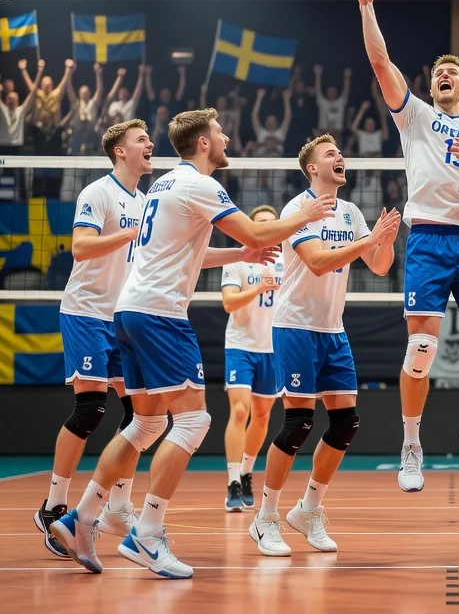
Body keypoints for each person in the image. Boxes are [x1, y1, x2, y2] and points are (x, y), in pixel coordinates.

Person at [52, 108, 332, 579]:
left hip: (129, 310)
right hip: (160, 313)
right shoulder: (202, 185)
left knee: (145, 426)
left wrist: (241, 254)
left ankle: (80, 519)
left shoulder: (162, 187)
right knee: (195, 420)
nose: (225, 137)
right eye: (220, 132)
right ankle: (147, 533)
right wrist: (303, 215)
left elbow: (189, 251)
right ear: (203, 143)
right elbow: (260, 231)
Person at [351, 0, 459, 492]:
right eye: (438, 72)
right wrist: (366, 4)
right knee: (420, 347)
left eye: (453, 73)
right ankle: (411, 444)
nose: (444, 75)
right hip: (426, 238)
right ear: (431, 86)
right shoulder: (416, 117)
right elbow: (381, 62)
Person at [249, 135, 400, 557]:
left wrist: (383, 239)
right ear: (312, 168)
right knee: (297, 423)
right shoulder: (297, 209)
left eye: (340, 153)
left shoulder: (351, 212)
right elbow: (317, 262)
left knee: (346, 422)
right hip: (295, 326)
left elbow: (381, 266)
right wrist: (370, 241)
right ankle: (265, 519)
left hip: (332, 330)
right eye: (330, 154)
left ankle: (309, 508)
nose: (340, 157)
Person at [34, 119, 156, 559]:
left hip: (124, 317)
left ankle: (119, 504)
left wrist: (242, 252)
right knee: (90, 408)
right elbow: (81, 247)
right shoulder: (97, 193)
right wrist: (131, 233)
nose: (150, 144)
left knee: (140, 414)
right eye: (141, 139)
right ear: (120, 151)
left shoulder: (148, 202)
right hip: (86, 311)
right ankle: (53, 505)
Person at [221, 205, 286, 513]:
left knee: (262, 417)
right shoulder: (239, 259)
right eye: (260, 223)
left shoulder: (287, 260)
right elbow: (228, 303)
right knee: (239, 410)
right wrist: (260, 286)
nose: (265, 228)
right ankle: (233, 480)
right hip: (240, 346)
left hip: (272, 349)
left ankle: (247, 472)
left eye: (271, 224)